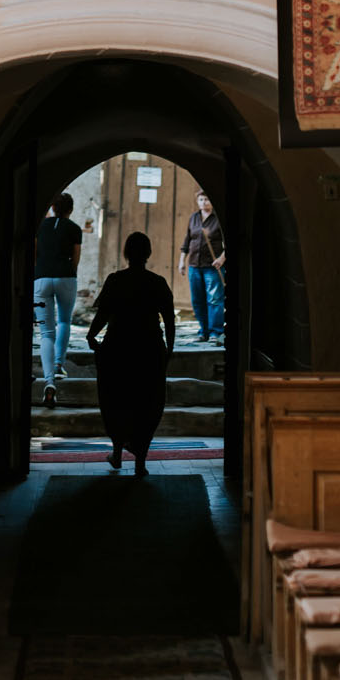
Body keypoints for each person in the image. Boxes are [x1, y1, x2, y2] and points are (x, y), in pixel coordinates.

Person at [87, 231, 175, 477]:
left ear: (126, 253)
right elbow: (169, 321)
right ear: (148, 254)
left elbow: (102, 315)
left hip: (118, 349)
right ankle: (140, 461)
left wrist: (91, 336)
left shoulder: (115, 280)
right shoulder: (157, 283)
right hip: (148, 349)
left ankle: (117, 452)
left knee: (116, 399)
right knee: (147, 402)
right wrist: (170, 349)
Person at [34, 191, 82, 410]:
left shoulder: (40, 226)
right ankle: (58, 364)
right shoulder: (74, 228)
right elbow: (76, 258)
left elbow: (34, 253)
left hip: (41, 278)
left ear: (52, 207)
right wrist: (68, 274)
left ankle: (49, 381)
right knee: (64, 321)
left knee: (45, 333)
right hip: (65, 278)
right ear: (70, 210)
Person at [178, 189, 226, 344]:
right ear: (197, 201)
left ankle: (215, 332)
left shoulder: (219, 219)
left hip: (212, 267)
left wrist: (221, 259)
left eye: (206, 199)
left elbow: (229, 244)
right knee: (198, 300)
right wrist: (182, 261)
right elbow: (187, 241)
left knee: (214, 300)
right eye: (201, 200)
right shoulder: (194, 218)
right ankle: (203, 331)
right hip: (194, 266)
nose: (204, 202)